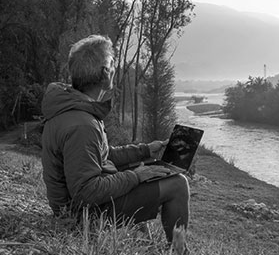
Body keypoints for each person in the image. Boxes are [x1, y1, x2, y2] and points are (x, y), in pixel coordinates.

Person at [41, 35, 189, 243]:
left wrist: (146, 150)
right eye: (112, 64)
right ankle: (179, 254)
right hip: (79, 217)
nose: (114, 69)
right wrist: (135, 176)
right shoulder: (82, 125)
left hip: (79, 206)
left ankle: (149, 237)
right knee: (177, 184)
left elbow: (101, 155)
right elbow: (86, 192)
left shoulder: (73, 108)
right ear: (104, 73)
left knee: (154, 166)